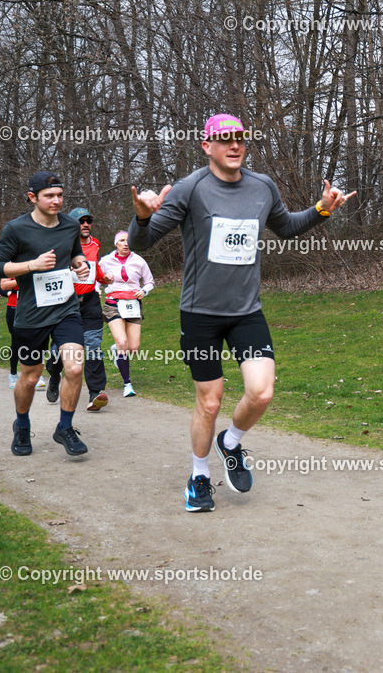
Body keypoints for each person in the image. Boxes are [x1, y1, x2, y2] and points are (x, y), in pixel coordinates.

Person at [129, 113, 354, 512]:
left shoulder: (261, 186)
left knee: (262, 392)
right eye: (225, 138)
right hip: (199, 314)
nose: (235, 145)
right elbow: (141, 243)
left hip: (246, 311)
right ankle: (199, 477)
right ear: (207, 145)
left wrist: (321, 209)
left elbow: (286, 226)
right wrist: (143, 217)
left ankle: (230, 442)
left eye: (240, 138)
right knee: (210, 402)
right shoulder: (190, 188)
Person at [0, 171, 92, 457]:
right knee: (31, 377)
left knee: (74, 367)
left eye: (60, 195)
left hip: (66, 308)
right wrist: (31, 265)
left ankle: (65, 427)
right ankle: (22, 425)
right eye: (49, 196)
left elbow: (75, 252)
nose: (56, 201)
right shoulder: (16, 228)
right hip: (31, 314)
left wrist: (80, 262)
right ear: (32, 197)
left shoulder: (70, 225)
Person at [45, 208, 113, 410]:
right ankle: (54, 375)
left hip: (90, 301)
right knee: (59, 349)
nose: (85, 224)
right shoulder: (62, 245)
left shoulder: (95, 243)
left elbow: (94, 267)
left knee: (93, 345)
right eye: (81, 221)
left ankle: (95, 392)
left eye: (88, 220)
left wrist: (103, 277)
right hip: (66, 302)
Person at [98, 230, 154, 398]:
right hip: (113, 303)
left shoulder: (139, 261)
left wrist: (144, 291)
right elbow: (96, 279)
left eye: (128, 240)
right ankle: (127, 384)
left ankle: (116, 351)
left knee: (133, 347)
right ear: (116, 243)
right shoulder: (105, 261)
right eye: (122, 240)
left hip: (133, 305)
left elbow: (150, 282)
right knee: (122, 342)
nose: (126, 243)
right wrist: (97, 290)